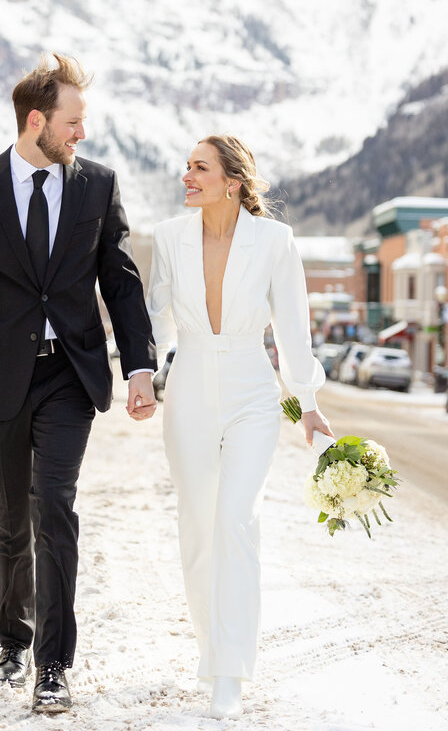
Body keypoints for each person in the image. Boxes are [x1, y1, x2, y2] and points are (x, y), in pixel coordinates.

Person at [0, 54, 157, 714]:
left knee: (55, 507)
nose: (81, 133)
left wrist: (139, 366)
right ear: (36, 121)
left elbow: (122, 283)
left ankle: (54, 664)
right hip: (0, 375)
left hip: (70, 375)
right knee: (11, 516)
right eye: (73, 121)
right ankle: (13, 639)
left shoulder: (97, 187)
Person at [146, 134, 334, 720]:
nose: (187, 176)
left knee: (235, 519)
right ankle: (212, 649)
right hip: (190, 386)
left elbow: (294, 330)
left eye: (199, 168)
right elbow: (156, 319)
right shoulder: (169, 238)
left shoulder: (275, 242)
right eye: (186, 167)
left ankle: (231, 669)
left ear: (232, 179)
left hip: (253, 389)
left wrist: (307, 401)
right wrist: (142, 375)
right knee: (199, 526)